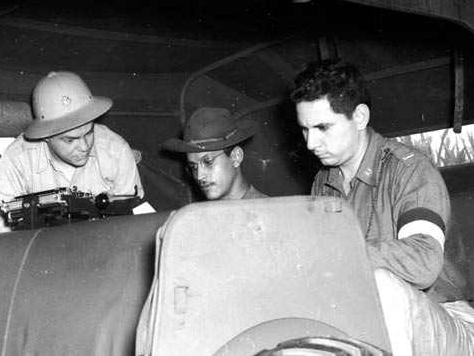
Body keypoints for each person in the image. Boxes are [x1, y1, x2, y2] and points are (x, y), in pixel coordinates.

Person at [289, 58, 474, 356]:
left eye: (323, 127)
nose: (311, 143)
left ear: (359, 117)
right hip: (368, 319)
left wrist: (337, 254)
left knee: (382, 284)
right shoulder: (322, 185)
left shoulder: (410, 170)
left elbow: (423, 262)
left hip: (449, 320)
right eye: (304, 129)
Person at [0, 71, 144, 233]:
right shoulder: (18, 159)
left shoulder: (116, 151)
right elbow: (2, 233)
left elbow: (130, 226)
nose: (84, 146)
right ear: (46, 136)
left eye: (89, 133)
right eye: (70, 140)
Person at [162, 106, 266, 201]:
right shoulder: (205, 216)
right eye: (193, 167)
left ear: (236, 157)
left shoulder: (269, 215)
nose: (199, 176)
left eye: (208, 162)